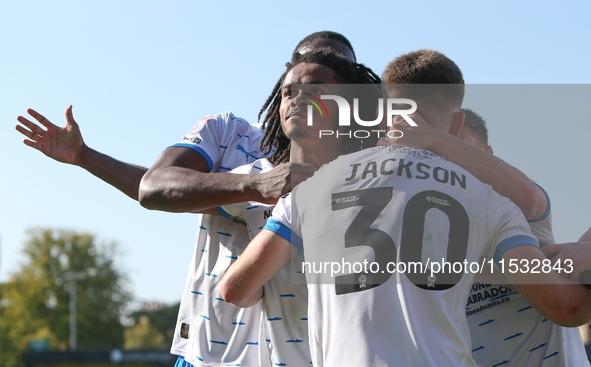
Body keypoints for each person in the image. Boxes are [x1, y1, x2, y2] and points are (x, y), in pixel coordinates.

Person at [220, 49, 591, 366]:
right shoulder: (492, 200)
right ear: (456, 121)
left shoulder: (312, 190)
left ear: (382, 113)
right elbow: (567, 308)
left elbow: (234, 290)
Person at [15, 31, 363, 367]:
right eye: (296, 81)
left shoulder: (362, 171)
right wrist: (255, 185)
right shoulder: (228, 133)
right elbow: (155, 187)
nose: (305, 92)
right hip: (211, 353)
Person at [382, 106, 590, 365]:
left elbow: (529, 197)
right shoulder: (420, 234)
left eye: (456, 152)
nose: (446, 166)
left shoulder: (515, 207)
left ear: (486, 156)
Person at [216, 49, 381, 367]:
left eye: (317, 90)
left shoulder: (378, 184)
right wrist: (87, 157)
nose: (298, 99)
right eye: (288, 92)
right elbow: (159, 191)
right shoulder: (255, 180)